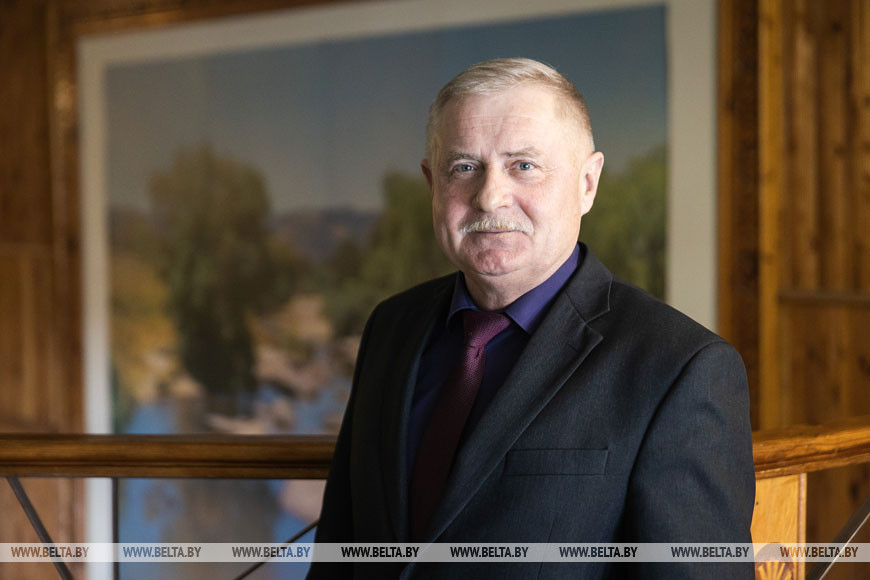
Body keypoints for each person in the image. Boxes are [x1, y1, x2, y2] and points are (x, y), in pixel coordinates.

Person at [308, 57, 755, 579]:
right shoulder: (392, 328)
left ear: (587, 183)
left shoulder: (680, 368)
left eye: (523, 165)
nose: (489, 196)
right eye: (464, 167)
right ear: (432, 183)